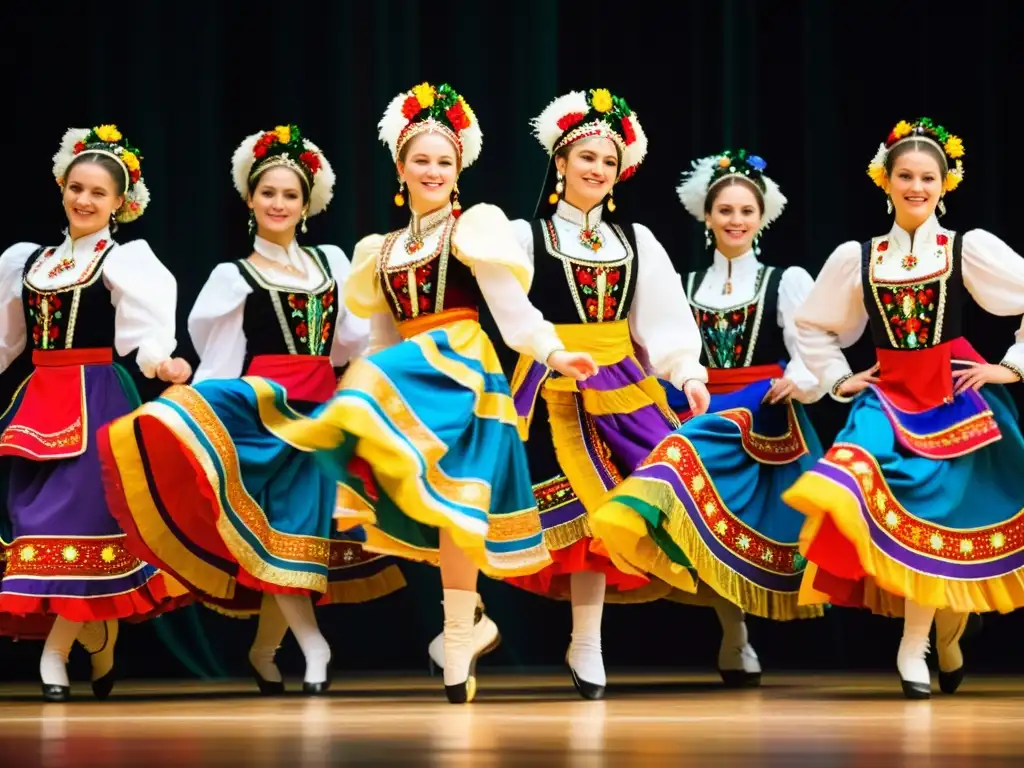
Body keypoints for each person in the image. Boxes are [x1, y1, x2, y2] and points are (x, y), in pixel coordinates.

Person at [99, 82, 597, 704]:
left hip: (464, 371)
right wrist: (362, 400)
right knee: (439, 502)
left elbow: (512, 309)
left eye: (444, 160)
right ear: (401, 167)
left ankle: (457, 631)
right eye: (421, 159)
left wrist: (553, 351)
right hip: (409, 371)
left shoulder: (478, 228)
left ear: (458, 167)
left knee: (460, 501)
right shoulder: (378, 252)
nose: (433, 170)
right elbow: (380, 343)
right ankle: (465, 627)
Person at [102, 125, 406, 695]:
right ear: (250, 199)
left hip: (323, 411)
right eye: (268, 193)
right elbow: (221, 362)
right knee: (282, 530)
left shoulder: (332, 264)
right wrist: (193, 414)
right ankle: (313, 647)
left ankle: (266, 648)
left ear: (306, 204)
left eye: (290, 195)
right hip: (264, 412)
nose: (279, 204)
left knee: (295, 536)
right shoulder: (232, 278)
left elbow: (350, 343)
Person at [429, 88, 712, 700]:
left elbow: (661, 317)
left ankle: (588, 639)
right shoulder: (524, 236)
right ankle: (462, 625)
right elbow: (510, 307)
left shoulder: (634, 239)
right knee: (509, 505)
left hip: (622, 386)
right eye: (584, 157)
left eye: (608, 161)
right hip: (546, 381)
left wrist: (686, 372)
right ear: (559, 162)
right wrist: (549, 347)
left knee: (601, 517)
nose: (596, 169)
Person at [781, 117, 1024, 698]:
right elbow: (813, 325)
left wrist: (1010, 366)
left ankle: (936, 640)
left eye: (928, 177)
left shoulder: (965, 247)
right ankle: (921, 643)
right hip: (888, 393)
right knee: (852, 477)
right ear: (884, 181)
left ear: (946, 184)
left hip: (954, 394)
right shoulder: (857, 257)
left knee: (940, 521)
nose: (917, 186)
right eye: (906, 175)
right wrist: (841, 379)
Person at [588, 149, 825, 688]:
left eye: (746, 210)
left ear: (762, 216)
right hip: (698, 411)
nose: (736, 220)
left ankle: (738, 634)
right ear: (707, 216)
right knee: (702, 521)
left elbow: (811, 344)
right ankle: (733, 633)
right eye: (726, 210)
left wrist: (803, 380)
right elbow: (652, 347)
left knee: (753, 527)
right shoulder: (684, 282)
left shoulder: (784, 280)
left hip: (763, 413)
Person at [0, 124, 191, 701]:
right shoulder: (26, 261)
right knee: (35, 525)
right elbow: (7, 340)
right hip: (38, 404)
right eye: (77, 187)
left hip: (97, 399)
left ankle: (57, 654)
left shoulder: (123, 260)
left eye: (99, 193)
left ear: (120, 203)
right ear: (63, 186)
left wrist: (163, 365)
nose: (84, 200)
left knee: (82, 524)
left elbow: (146, 337)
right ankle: (96, 640)